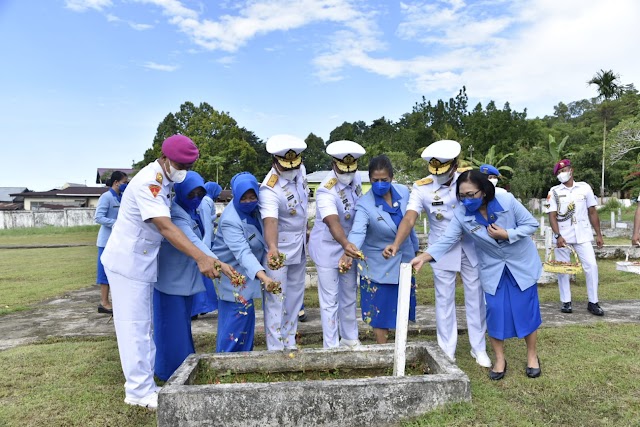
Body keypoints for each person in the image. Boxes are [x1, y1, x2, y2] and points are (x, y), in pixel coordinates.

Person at [100, 135, 234, 410]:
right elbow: (165, 227)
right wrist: (201, 258)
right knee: (133, 327)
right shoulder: (151, 182)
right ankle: (137, 391)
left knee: (143, 325)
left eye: (189, 165)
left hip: (142, 262)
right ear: (166, 159)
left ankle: (145, 384)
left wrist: (209, 258)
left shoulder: (167, 180)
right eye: (181, 164)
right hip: (128, 263)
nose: (183, 169)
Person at [410, 170, 542, 380]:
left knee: (525, 309)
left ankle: (532, 356)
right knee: (495, 312)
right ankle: (499, 359)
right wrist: (424, 257)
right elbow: (447, 240)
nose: (466, 200)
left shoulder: (506, 200)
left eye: (471, 195)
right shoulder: (462, 214)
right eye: (462, 196)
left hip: (520, 264)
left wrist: (507, 234)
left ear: (484, 191)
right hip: (493, 268)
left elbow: (531, 224)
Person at [383, 140, 491, 368]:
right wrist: (397, 242)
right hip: (440, 249)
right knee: (444, 300)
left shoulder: (468, 177)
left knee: (476, 297)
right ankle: (446, 350)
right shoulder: (422, 187)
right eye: (435, 170)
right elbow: (410, 217)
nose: (439, 175)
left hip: (472, 245)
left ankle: (478, 347)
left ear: (454, 165)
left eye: (444, 169)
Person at [341, 155, 419, 344]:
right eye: (375, 180)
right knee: (379, 309)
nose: (380, 184)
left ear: (391, 178)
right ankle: (382, 348)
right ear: (370, 179)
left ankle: (401, 346)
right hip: (377, 264)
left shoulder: (404, 192)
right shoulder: (365, 204)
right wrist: (349, 251)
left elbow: (410, 219)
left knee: (402, 304)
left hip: (404, 258)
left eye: (384, 180)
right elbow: (358, 231)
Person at [153, 171, 218, 381]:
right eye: (191, 194)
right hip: (170, 282)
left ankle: (184, 366)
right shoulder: (176, 214)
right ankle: (169, 371)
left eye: (200, 193)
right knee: (170, 329)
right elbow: (193, 242)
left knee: (181, 326)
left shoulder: (192, 211)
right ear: (180, 192)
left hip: (181, 280)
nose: (196, 198)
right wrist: (219, 264)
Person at [212, 172, 279, 352]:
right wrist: (264, 278)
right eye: (244, 198)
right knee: (234, 320)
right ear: (235, 195)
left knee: (245, 317)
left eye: (253, 197)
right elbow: (243, 253)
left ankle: (242, 359)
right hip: (232, 274)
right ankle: (226, 363)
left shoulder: (257, 211)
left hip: (248, 273)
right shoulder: (229, 220)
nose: (249, 201)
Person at [308, 140, 365, 348]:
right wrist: (345, 244)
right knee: (330, 299)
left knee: (349, 293)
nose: (347, 174)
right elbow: (332, 221)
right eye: (343, 169)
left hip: (348, 246)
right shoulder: (325, 190)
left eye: (351, 169)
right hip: (328, 247)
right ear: (334, 164)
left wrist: (349, 248)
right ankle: (330, 346)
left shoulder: (356, 177)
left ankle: (350, 338)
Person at [259, 134, 309, 351]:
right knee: (276, 299)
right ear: (275, 163)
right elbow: (270, 221)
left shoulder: (301, 171)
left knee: (296, 297)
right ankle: (275, 347)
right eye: (286, 167)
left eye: (294, 165)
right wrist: (272, 248)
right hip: (279, 250)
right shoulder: (269, 188)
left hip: (300, 245)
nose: (291, 170)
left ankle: (290, 341)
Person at [546, 159, 604, 316]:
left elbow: (592, 211)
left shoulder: (584, 188)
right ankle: (566, 301)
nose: (561, 174)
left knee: (591, 266)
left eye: (563, 171)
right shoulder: (554, 191)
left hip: (583, 235)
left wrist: (598, 234)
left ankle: (593, 302)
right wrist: (558, 235)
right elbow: (552, 216)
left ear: (571, 170)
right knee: (563, 269)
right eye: (558, 173)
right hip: (562, 236)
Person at [94, 170, 128, 314]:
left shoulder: (122, 197)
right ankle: (104, 302)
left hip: (119, 241)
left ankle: (116, 301)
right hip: (106, 241)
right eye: (124, 183)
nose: (126, 185)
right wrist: (116, 223)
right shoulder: (106, 197)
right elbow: (98, 217)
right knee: (104, 272)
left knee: (117, 271)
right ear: (116, 183)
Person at [191, 181, 224, 319]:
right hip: (204, 242)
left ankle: (204, 306)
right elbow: (205, 224)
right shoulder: (207, 200)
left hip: (203, 241)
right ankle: (202, 306)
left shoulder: (205, 200)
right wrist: (206, 246)